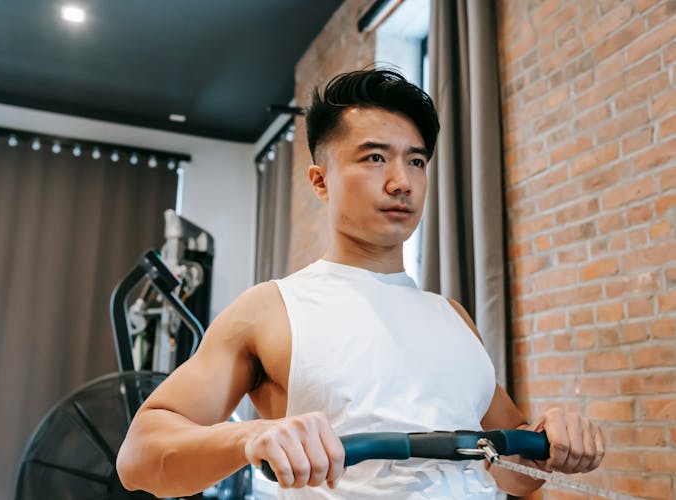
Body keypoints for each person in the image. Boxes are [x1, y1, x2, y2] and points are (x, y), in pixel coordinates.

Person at [116, 69, 605, 499]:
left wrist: (551, 441)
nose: (401, 182)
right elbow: (139, 458)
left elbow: (513, 475)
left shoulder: (451, 317)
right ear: (320, 180)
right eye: (375, 158)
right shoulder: (271, 310)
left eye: (415, 161)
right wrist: (248, 439)